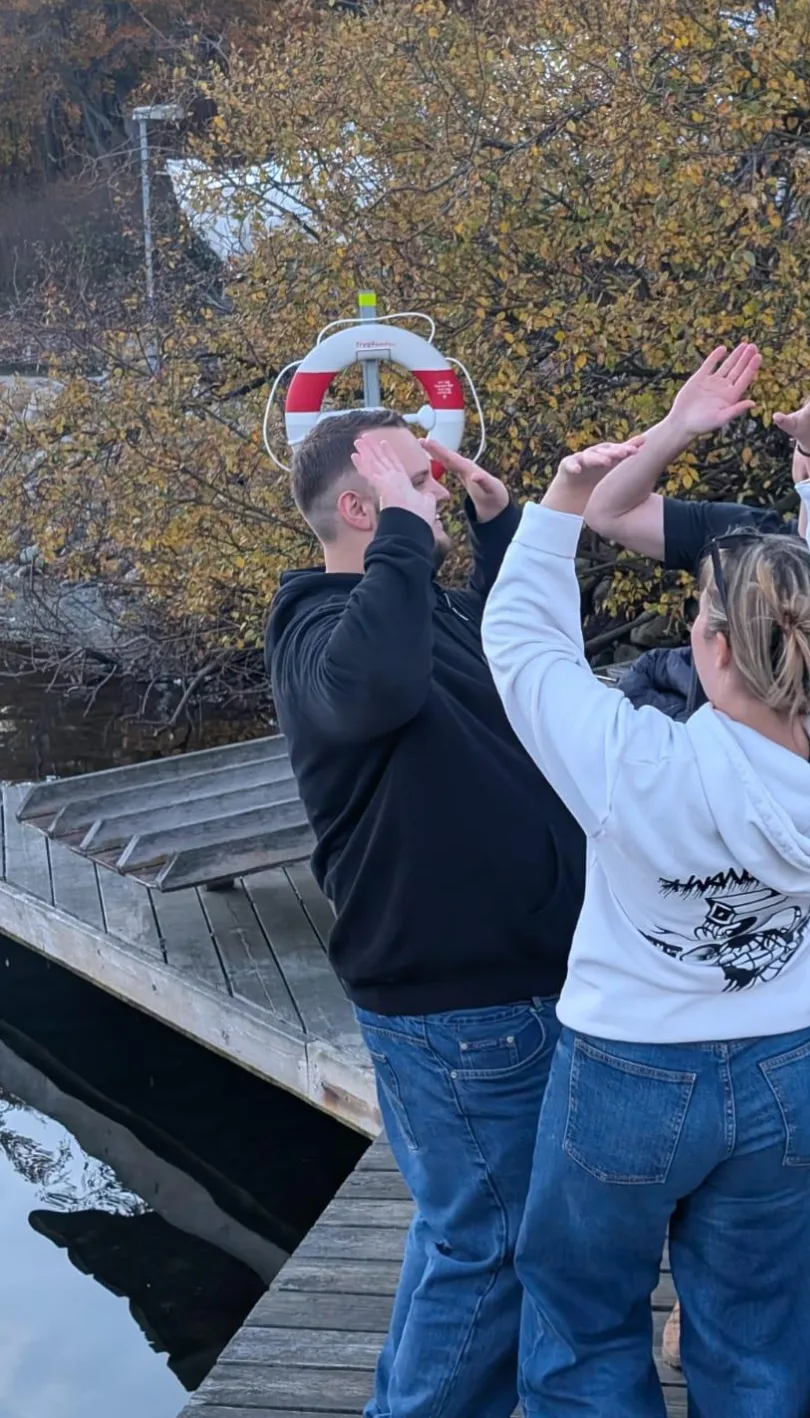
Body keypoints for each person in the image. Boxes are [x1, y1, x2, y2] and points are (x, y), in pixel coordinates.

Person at [479, 374, 810, 1417]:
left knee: (582, 1328)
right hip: (789, 1074)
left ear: (710, 649)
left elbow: (521, 645)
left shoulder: (639, 766)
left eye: (701, 618)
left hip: (625, 1073)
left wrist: (560, 504)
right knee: (759, 1334)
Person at [264, 409, 585, 1418]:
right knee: (488, 1247)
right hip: (459, 1012)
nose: (438, 488)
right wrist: (407, 533)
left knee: (465, 1231)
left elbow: (518, 659)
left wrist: (495, 533)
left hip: (503, 991)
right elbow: (373, 691)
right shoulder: (319, 626)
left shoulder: (414, 607)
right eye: (419, 481)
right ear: (361, 506)